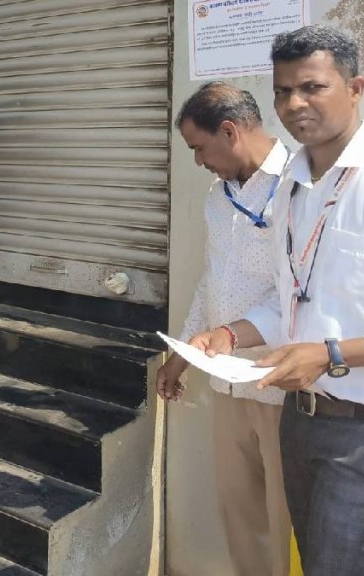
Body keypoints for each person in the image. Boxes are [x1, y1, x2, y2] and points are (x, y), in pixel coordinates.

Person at [189, 26, 364, 575]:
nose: (294, 104)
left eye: (312, 87)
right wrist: (231, 334)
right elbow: (291, 302)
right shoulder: (294, 187)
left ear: (355, 89)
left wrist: (330, 354)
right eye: (283, 91)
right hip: (301, 418)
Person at [158, 82, 291, 576]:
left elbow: (301, 291)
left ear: (230, 131)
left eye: (199, 148)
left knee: (287, 515)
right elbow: (212, 281)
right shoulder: (218, 198)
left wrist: (234, 334)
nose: (197, 162)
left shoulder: (301, 186)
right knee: (239, 510)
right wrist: (181, 356)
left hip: (282, 383)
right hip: (228, 381)